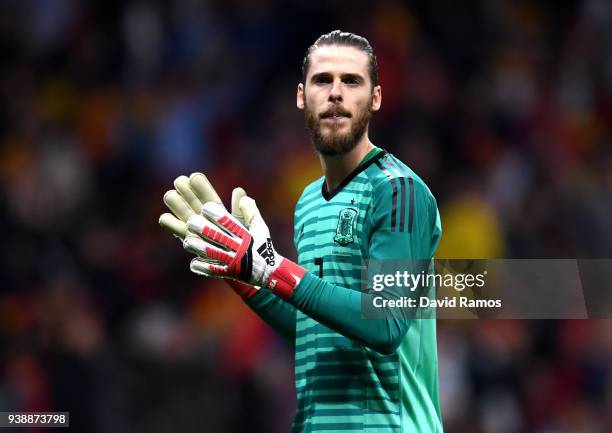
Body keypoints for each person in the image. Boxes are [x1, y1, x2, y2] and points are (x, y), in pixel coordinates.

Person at [160, 30, 443, 433]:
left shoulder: (398, 192)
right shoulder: (309, 201)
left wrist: (274, 269)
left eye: (352, 81)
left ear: (376, 98)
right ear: (301, 97)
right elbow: (316, 334)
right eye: (322, 80)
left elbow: (385, 323)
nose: (336, 94)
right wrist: (244, 276)